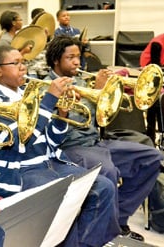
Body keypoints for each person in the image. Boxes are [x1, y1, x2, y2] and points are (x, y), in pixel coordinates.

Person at [0, 45, 120, 246]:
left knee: (104, 187)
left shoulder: (28, 93)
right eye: (16, 63)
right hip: (18, 171)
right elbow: (20, 141)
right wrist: (49, 100)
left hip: (47, 163)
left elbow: (51, 141)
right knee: (67, 199)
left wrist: (62, 115)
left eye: (23, 62)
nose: (23, 68)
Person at [45, 34, 163, 242]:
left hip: (96, 143)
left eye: (78, 57)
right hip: (70, 147)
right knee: (107, 170)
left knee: (152, 157)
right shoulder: (48, 86)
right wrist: (99, 92)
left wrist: (107, 92)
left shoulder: (81, 79)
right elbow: (73, 120)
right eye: (70, 57)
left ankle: (116, 221)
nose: (77, 62)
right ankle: (108, 232)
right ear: (56, 60)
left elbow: (101, 120)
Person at [139, 33, 164, 143]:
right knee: (153, 106)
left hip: (160, 70)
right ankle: (151, 138)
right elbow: (155, 67)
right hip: (150, 72)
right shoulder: (157, 44)